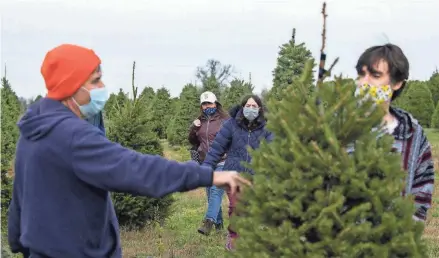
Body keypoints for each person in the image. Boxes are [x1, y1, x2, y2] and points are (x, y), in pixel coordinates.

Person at [7, 44, 251, 258]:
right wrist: (208, 175)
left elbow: (19, 206)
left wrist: (21, 243)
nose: (102, 87)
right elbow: (135, 168)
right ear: (72, 86)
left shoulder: (33, 131)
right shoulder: (71, 135)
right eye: (95, 81)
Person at [354, 43, 435, 222]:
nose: (364, 81)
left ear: (397, 83)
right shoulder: (338, 126)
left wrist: (406, 232)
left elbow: (422, 189)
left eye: (375, 75)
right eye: (361, 74)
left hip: (391, 244)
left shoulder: (413, 135)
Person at [201, 95, 273, 251]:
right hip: (234, 174)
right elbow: (216, 149)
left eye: (254, 106)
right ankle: (233, 238)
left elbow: (274, 151)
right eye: (248, 105)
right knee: (235, 206)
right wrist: (206, 167)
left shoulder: (267, 128)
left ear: (260, 109)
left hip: (256, 176)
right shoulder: (231, 124)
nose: (251, 109)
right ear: (242, 107)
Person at [188, 91, 230, 235]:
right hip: (205, 162)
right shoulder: (199, 121)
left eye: (209, 103)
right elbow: (193, 141)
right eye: (204, 104)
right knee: (209, 193)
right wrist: (194, 128)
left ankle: (208, 222)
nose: (207, 106)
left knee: (216, 190)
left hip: (223, 161)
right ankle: (219, 227)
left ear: (216, 104)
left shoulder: (225, 120)